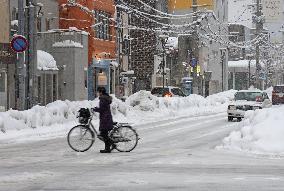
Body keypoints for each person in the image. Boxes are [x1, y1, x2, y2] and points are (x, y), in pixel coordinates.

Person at [93, 87, 114, 153]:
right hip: (106, 117)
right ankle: (107, 148)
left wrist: (95, 109)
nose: (98, 93)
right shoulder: (105, 98)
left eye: (98, 92)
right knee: (104, 134)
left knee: (103, 134)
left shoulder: (103, 99)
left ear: (101, 92)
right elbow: (103, 108)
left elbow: (102, 109)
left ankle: (112, 144)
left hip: (105, 118)